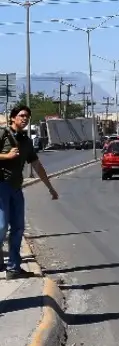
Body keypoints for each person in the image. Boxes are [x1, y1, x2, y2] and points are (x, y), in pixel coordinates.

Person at [0, 105, 59, 280]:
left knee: (18, 228)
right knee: (2, 226)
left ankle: (14, 268)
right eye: (21, 115)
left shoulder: (25, 141)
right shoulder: (3, 134)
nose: (25, 118)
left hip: (17, 188)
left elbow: (37, 166)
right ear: (13, 118)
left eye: (27, 116)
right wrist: (6, 156)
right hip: (1, 185)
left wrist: (50, 187)